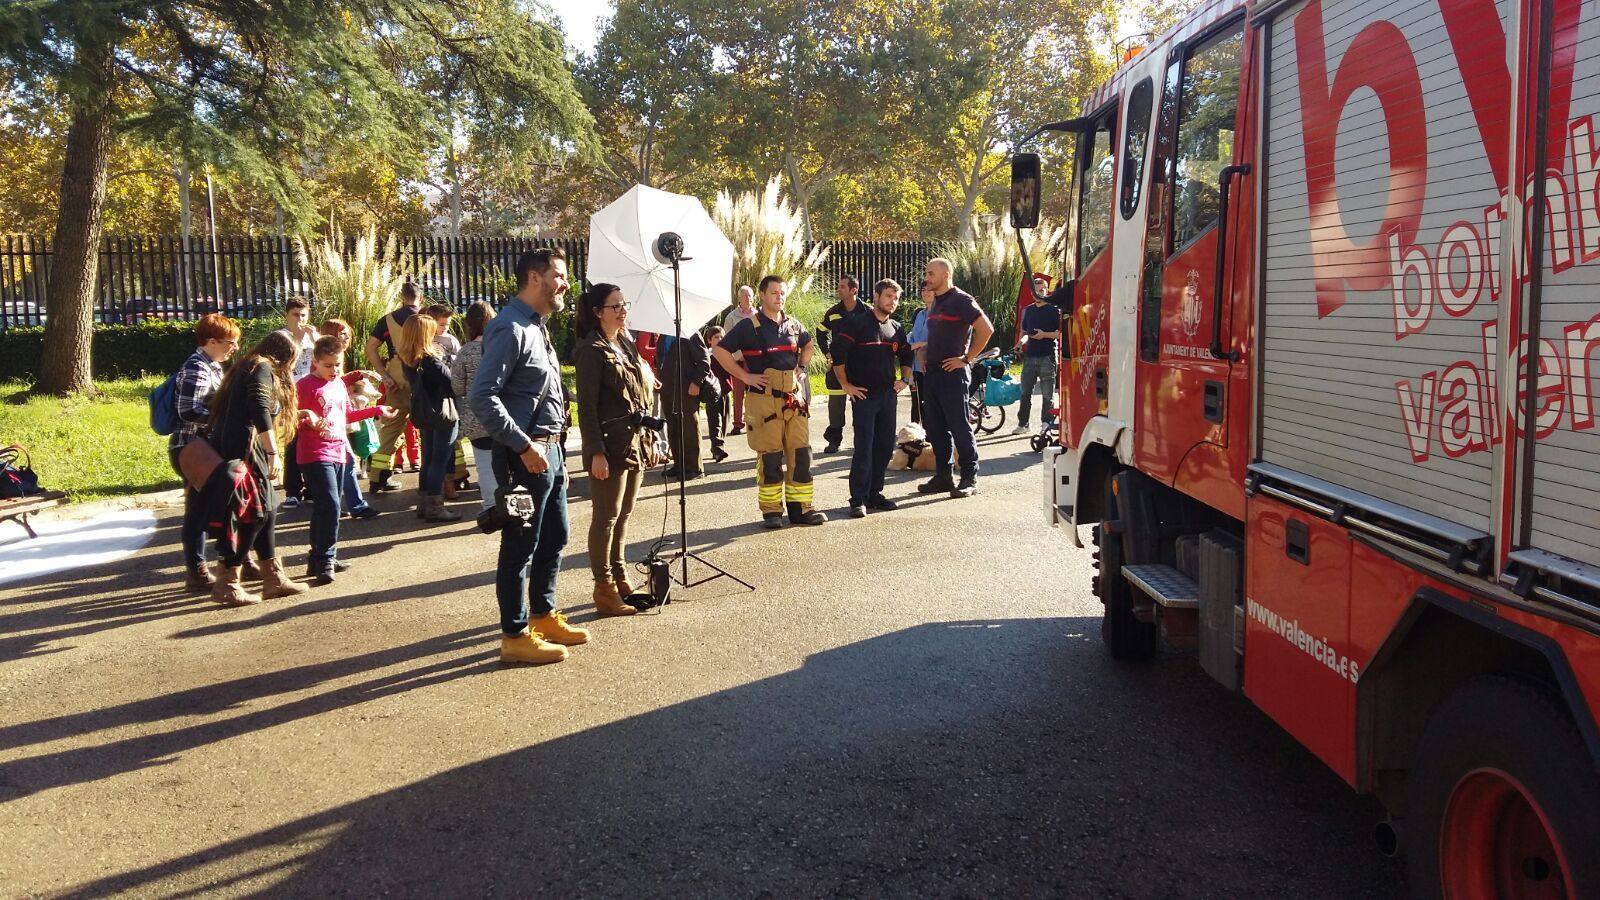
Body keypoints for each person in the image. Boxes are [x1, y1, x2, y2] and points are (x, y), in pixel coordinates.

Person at [469, 247, 589, 665]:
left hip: (548, 452)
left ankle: (542, 614)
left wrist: (557, 454)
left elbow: (551, 395)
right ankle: (515, 635)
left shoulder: (537, 326)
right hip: (523, 455)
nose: (565, 284)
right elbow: (481, 396)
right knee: (520, 544)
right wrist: (524, 445)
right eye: (558, 275)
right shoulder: (509, 327)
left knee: (556, 536)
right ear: (534, 278)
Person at [203, 331, 311, 605]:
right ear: (285, 355)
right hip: (246, 450)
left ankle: (273, 578)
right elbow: (259, 409)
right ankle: (227, 581)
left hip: (243, 446)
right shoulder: (262, 367)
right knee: (255, 513)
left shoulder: (249, 365)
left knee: (269, 509)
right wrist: (274, 452)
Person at [711, 275, 826, 529]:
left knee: (801, 455)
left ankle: (801, 510)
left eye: (782, 293)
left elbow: (807, 345)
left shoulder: (794, 325)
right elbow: (719, 351)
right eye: (774, 293)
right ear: (762, 295)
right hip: (764, 403)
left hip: (793, 401)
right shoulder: (747, 327)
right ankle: (772, 512)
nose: (779, 297)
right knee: (771, 457)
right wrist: (743, 376)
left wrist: (803, 367)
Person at [573, 283, 659, 617]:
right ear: (597, 312)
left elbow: (638, 396)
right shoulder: (591, 350)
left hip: (634, 440)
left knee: (624, 513)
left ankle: (620, 574)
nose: (623, 310)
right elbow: (588, 408)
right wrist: (595, 453)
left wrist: (650, 441)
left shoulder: (624, 342)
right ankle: (604, 588)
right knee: (605, 517)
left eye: (625, 304)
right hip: (609, 446)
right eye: (615, 306)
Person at [296, 336, 395, 583]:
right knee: (331, 505)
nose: (334, 370)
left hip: (339, 450)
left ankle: (317, 557)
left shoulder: (338, 384)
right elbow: (290, 418)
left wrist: (376, 410)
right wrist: (306, 420)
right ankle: (326, 558)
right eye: (328, 365)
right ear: (316, 363)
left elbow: (348, 415)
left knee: (325, 507)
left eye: (337, 365)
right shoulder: (305, 386)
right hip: (314, 453)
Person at [833, 279, 915, 518]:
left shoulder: (896, 328)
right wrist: (846, 385)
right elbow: (838, 354)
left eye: (896, 298)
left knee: (883, 446)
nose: (893, 302)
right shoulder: (856, 323)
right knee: (864, 448)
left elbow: (907, 355)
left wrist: (905, 380)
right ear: (876, 296)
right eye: (889, 296)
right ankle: (857, 499)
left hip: (888, 396)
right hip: (864, 396)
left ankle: (874, 495)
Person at [170, 312, 240, 590]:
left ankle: (205, 566)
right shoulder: (197, 367)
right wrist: (222, 418)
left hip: (202, 447)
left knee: (201, 507)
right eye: (229, 343)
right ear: (211, 341)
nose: (233, 348)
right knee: (197, 509)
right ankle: (197, 570)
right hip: (191, 447)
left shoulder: (211, 366)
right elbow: (187, 411)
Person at [917, 257, 994, 499]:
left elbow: (986, 329)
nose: (927, 278)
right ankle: (944, 475)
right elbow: (938, 335)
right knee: (936, 428)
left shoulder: (961, 300)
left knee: (959, 425)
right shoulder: (935, 303)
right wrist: (924, 353)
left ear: (945, 275)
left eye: (931, 274)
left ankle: (969, 477)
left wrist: (967, 358)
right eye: (926, 273)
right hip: (933, 374)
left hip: (954, 374)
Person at [399, 313, 461, 523]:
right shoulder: (431, 360)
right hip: (442, 412)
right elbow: (453, 383)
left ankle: (424, 503)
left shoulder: (407, 358)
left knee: (428, 458)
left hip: (423, 412)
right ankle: (435, 508)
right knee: (439, 461)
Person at [364, 281, 424, 493]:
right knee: (433, 426)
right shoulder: (426, 317)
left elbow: (370, 348)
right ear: (421, 298)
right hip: (423, 373)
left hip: (396, 375)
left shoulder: (387, 320)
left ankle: (377, 478)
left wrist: (384, 374)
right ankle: (452, 474)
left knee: (390, 430)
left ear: (401, 298)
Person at [319, 318, 381, 520]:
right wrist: (357, 375)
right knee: (343, 463)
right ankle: (351, 506)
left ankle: (343, 506)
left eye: (347, 333)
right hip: (329, 421)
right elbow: (329, 383)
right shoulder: (325, 360)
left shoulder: (336, 357)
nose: (346, 337)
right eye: (341, 333)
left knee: (344, 463)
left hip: (338, 416)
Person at [450, 301, 500, 512]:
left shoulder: (465, 352)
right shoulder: (500, 347)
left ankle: (491, 506)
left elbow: (457, 387)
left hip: (476, 416)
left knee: (484, 465)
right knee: (506, 463)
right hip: (503, 413)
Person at [816, 275, 871, 454]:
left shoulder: (868, 312)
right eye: (838, 286)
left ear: (853, 290)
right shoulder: (832, 312)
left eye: (842, 286)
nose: (838, 289)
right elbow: (820, 332)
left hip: (861, 366)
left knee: (861, 403)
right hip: (837, 366)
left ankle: (861, 440)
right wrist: (827, 353)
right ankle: (834, 441)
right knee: (836, 405)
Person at [276, 297, 318, 510]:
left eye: (303, 315)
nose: (300, 319)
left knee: (311, 439)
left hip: (311, 391)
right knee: (293, 441)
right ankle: (292, 490)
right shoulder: (281, 337)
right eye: (295, 314)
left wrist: (314, 337)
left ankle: (311, 487)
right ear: (287, 316)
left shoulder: (313, 337)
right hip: (290, 392)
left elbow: (325, 357)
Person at [659, 329, 718, 480]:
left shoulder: (689, 331)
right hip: (667, 387)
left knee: (689, 428)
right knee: (673, 427)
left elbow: (705, 361)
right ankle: (679, 465)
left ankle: (694, 468)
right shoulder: (663, 333)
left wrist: (696, 382)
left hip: (686, 388)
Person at [424, 302, 469, 497]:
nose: (445, 328)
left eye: (447, 324)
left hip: (451, 392)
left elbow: (459, 361)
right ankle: (434, 487)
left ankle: (449, 481)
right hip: (435, 396)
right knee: (434, 446)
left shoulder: (451, 340)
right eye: (442, 324)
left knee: (448, 443)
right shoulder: (426, 341)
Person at [1015, 276, 1062, 435]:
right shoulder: (1028, 310)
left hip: (1047, 356)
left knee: (1047, 394)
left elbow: (1061, 334)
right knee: (1025, 392)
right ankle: (1023, 424)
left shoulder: (1054, 309)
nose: (1039, 293)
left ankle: (1046, 423)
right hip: (1030, 356)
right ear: (1032, 293)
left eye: (1042, 290)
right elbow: (1025, 332)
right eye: (1036, 291)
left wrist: (1045, 335)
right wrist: (1021, 343)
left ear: (1047, 291)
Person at [722, 285, 758, 434]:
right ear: (739, 299)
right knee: (738, 392)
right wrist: (737, 354)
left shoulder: (758, 315)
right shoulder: (731, 317)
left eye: (750, 296)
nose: (748, 299)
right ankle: (738, 423)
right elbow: (726, 339)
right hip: (738, 359)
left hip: (755, 359)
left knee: (756, 392)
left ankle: (755, 421)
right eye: (745, 296)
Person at [705, 325, 732, 462]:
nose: (720, 339)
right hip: (712, 392)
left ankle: (718, 445)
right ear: (710, 340)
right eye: (716, 337)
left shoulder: (727, 353)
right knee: (715, 420)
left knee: (725, 418)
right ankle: (717, 448)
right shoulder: (708, 355)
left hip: (725, 390)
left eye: (722, 336)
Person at [908, 289, 932, 426]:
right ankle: (918, 436)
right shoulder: (919, 314)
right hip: (917, 366)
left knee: (932, 405)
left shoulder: (941, 314)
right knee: (918, 403)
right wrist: (917, 345)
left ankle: (933, 438)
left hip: (932, 366)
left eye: (929, 290)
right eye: (923, 290)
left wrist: (922, 345)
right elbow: (911, 340)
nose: (925, 292)